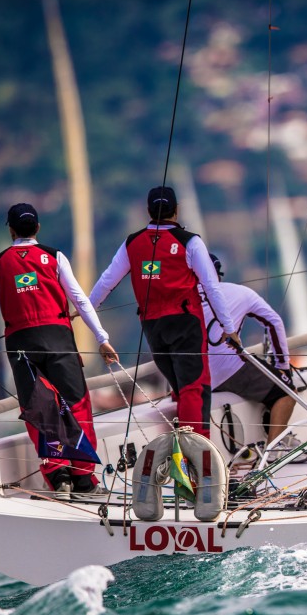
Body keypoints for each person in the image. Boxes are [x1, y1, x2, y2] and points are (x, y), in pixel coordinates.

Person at [0, 203, 119, 498]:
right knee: (77, 403)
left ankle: (57, 478)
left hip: (20, 344)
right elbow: (80, 300)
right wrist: (102, 338)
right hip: (58, 338)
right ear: (38, 229)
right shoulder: (54, 256)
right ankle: (83, 479)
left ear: (11, 230)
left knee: (39, 408)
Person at [89, 186, 239, 438]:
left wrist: (85, 309)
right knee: (194, 387)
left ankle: (183, 453)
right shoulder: (190, 241)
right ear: (176, 210)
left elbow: (106, 282)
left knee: (180, 387)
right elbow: (212, 287)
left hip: (152, 326)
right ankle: (199, 457)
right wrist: (230, 328)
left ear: (148, 210)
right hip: (186, 322)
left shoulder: (132, 243)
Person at [201, 253, 298, 452]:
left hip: (195, 377)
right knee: (286, 392)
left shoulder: (179, 300)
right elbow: (274, 322)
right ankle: (274, 449)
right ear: (217, 274)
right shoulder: (241, 292)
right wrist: (283, 367)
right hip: (230, 370)